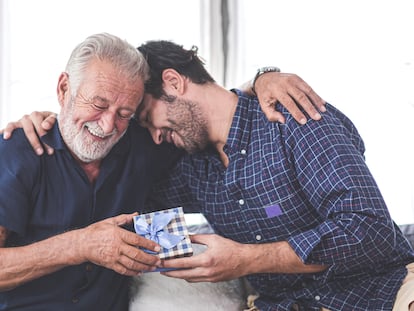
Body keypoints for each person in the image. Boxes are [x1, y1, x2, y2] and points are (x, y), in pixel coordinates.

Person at [0, 34, 327, 310]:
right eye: (98, 104)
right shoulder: (18, 151)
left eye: (126, 112)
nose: (107, 125)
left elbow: (210, 110)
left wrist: (263, 78)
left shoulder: (143, 142)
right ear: (63, 88)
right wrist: (79, 246)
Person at [132, 41, 414, 311]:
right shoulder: (192, 171)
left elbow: (370, 231)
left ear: (173, 81)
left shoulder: (292, 118)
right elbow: (125, 202)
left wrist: (247, 259)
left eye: (147, 117)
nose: (155, 137)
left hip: (381, 292)